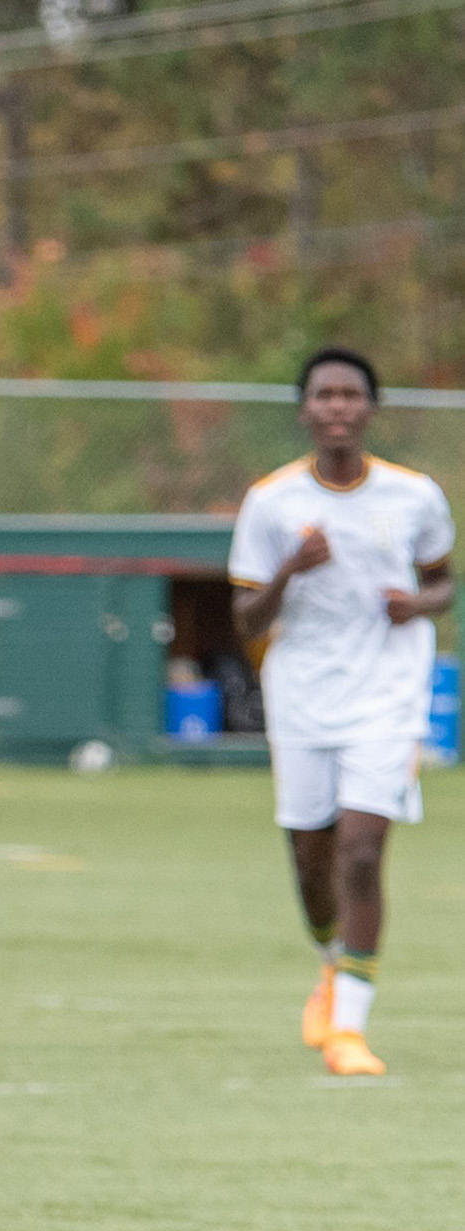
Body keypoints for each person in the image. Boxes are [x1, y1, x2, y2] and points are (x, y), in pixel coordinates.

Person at [229, 346, 454, 1077]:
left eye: (349, 394)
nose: (336, 406)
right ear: (304, 409)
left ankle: (350, 1028)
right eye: (322, 395)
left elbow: (442, 584)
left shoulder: (413, 494)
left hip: (387, 691)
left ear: (369, 408)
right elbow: (245, 619)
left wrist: (413, 604)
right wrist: (291, 569)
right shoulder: (272, 502)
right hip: (300, 691)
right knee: (309, 858)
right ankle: (331, 962)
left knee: (360, 849)